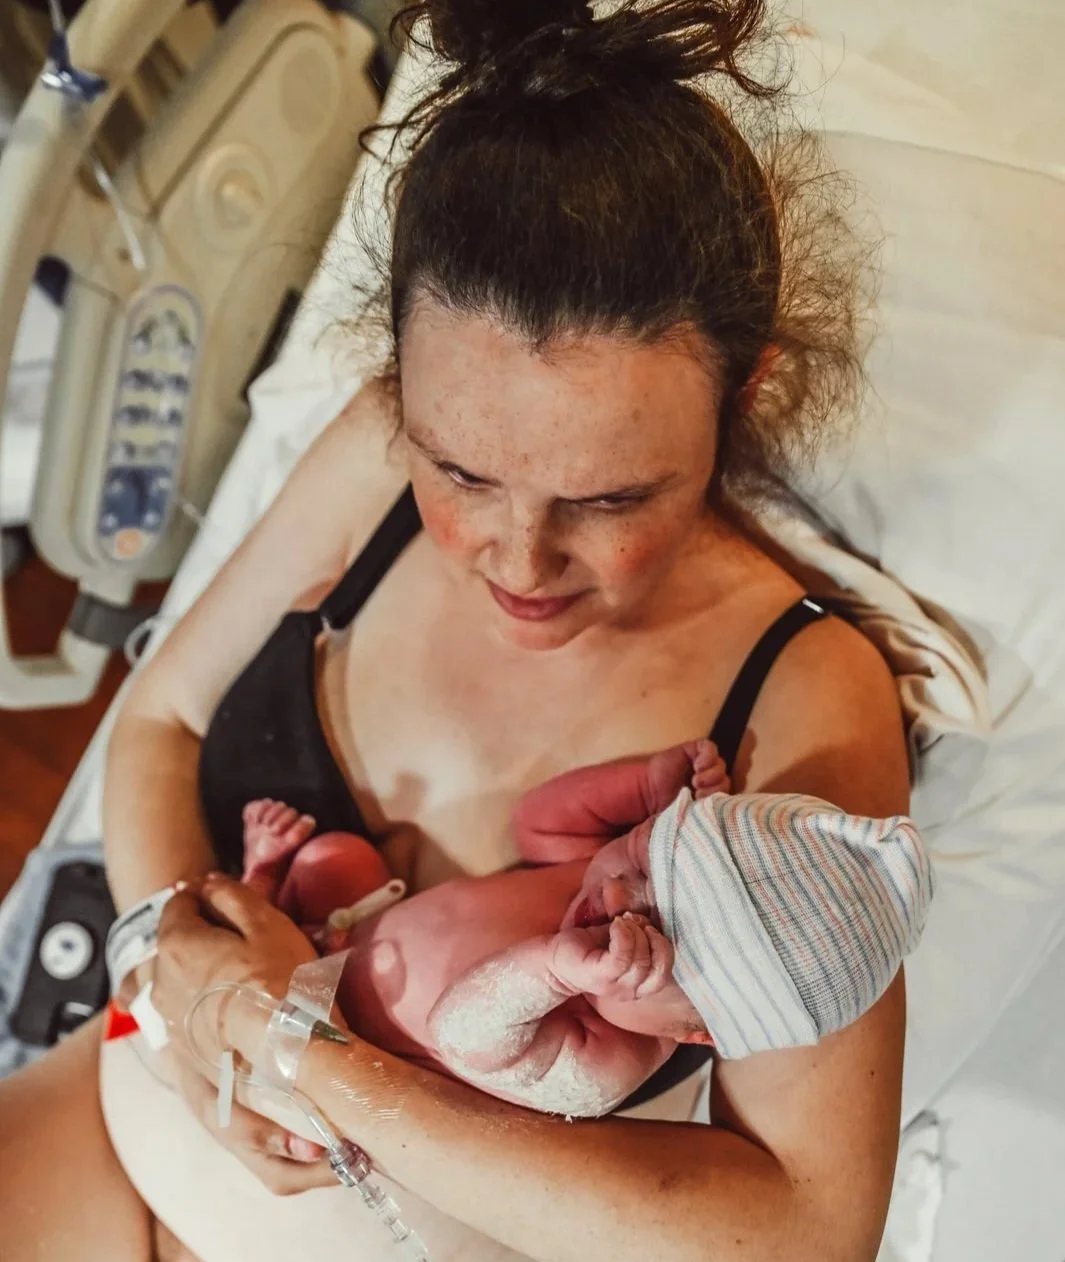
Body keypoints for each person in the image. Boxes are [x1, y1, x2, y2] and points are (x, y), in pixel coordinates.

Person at [0, 0, 911, 1258]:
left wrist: (301, 1052)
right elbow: (162, 717)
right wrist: (174, 955)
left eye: (609, 499)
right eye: (463, 472)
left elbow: (806, 1227)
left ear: (742, 389)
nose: (518, 560)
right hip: (122, 1109)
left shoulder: (804, 693)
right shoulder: (375, 452)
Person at [229, 740, 930, 1119]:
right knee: (336, 860)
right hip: (347, 926)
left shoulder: (607, 1059)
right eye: (644, 854)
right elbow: (539, 823)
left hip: (326, 1027)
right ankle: (268, 891)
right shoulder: (593, 883)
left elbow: (462, 1036)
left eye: (654, 933)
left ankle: (255, 892)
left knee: (290, 1103)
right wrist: (644, 787)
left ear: (700, 1031)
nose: (616, 895)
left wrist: (553, 972)